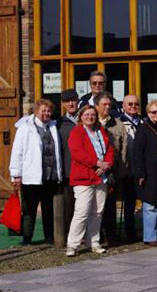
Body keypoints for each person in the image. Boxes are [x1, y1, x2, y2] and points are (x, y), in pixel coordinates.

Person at [9, 99, 62, 245]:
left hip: (50, 176)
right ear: (36, 111)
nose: (46, 113)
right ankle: (27, 238)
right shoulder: (25, 128)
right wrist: (16, 174)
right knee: (29, 211)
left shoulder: (53, 126)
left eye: (49, 111)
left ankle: (49, 237)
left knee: (48, 209)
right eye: (43, 110)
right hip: (31, 176)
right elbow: (17, 152)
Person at [66, 105, 114, 256]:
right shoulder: (77, 132)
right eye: (86, 114)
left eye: (93, 114)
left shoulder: (101, 131)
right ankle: (72, 244)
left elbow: (110, 149)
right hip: (83, 177)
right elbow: (78, 153)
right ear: (81, 116)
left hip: (100, 177)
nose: (90, 117)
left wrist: (106, 164)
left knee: (97, 211)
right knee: (81, 211)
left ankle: (93, 241)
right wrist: (96, 163)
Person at [96, 92, 128, 247]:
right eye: (104, 105)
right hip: (94, 170)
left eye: (109, 105)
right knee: (95, 205)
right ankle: (97, 235)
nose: (107, 107)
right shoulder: (90, 122)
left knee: (110, 204)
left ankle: (111, 235)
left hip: (112, 170)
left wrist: (121, 171)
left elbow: (123, 149)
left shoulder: (117, 124)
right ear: (97, 106)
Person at [134, 100, 157, 246]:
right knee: (150, 205)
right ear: (148, 113)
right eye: (154, 112)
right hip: (149, 171)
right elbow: (138, 152)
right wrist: (140, 173)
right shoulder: (143, 129)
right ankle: (150, 236)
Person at [119, 94, 142, 241]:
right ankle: (129, 232)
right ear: (124, 107)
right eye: (130, 104)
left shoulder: (143, 122)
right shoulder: (119, 122)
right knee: (128, 202)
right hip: (127, 169)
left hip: (141, 168)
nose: (133, 107)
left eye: (135, 104)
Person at [58, 89, 79, 236]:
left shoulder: (87, 118)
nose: (71, 103)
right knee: (68, 205)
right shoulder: (58, 123)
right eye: (67, 101)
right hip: (67, 170)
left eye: (73, 100)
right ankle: (68, 235)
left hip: (85, 171)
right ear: (63, 104)